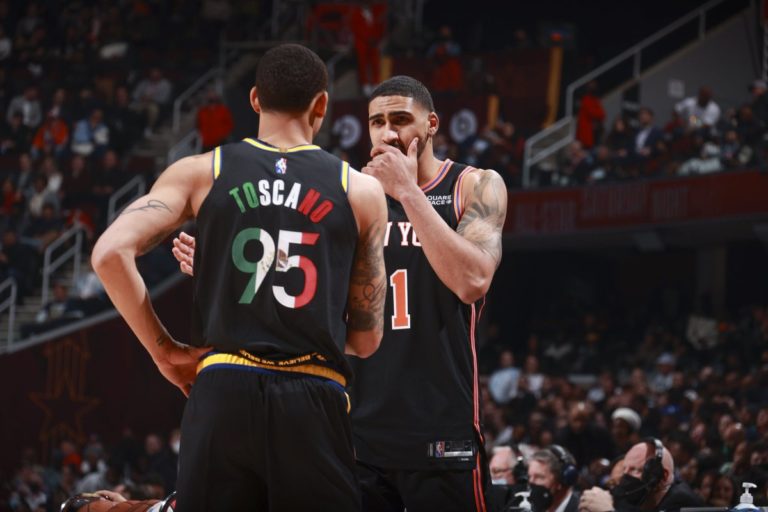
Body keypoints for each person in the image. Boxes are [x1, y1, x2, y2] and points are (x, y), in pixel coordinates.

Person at [173, 75, 508, 511]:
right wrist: (223, 270)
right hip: (352, 433)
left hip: (438, 428)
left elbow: (473, 280)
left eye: (402, 120)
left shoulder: (473, 185)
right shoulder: (350, 194)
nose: (388, 133)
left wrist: (406, 192)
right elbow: (301, 292)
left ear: (431, 124)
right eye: (377, 122)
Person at [92, 43, 388, 511]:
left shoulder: (200, 171)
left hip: (223, 386)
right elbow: (367, 339)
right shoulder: (362, 191)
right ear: (322, 105)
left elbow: (108, 253)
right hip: (312, 394)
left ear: (254, 100)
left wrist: (165, 351)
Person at [578, 438, 704, 511]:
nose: (625, 476)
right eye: (625, 469)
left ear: (662, 476)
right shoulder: (637, 493)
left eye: (634, 470)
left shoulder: (681, 501)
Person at [527, 445, 581, 512]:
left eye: (539, 477)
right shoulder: (531, 508)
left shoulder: (582, 509)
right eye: (529, 476)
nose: (531, 481)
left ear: (561, 480)